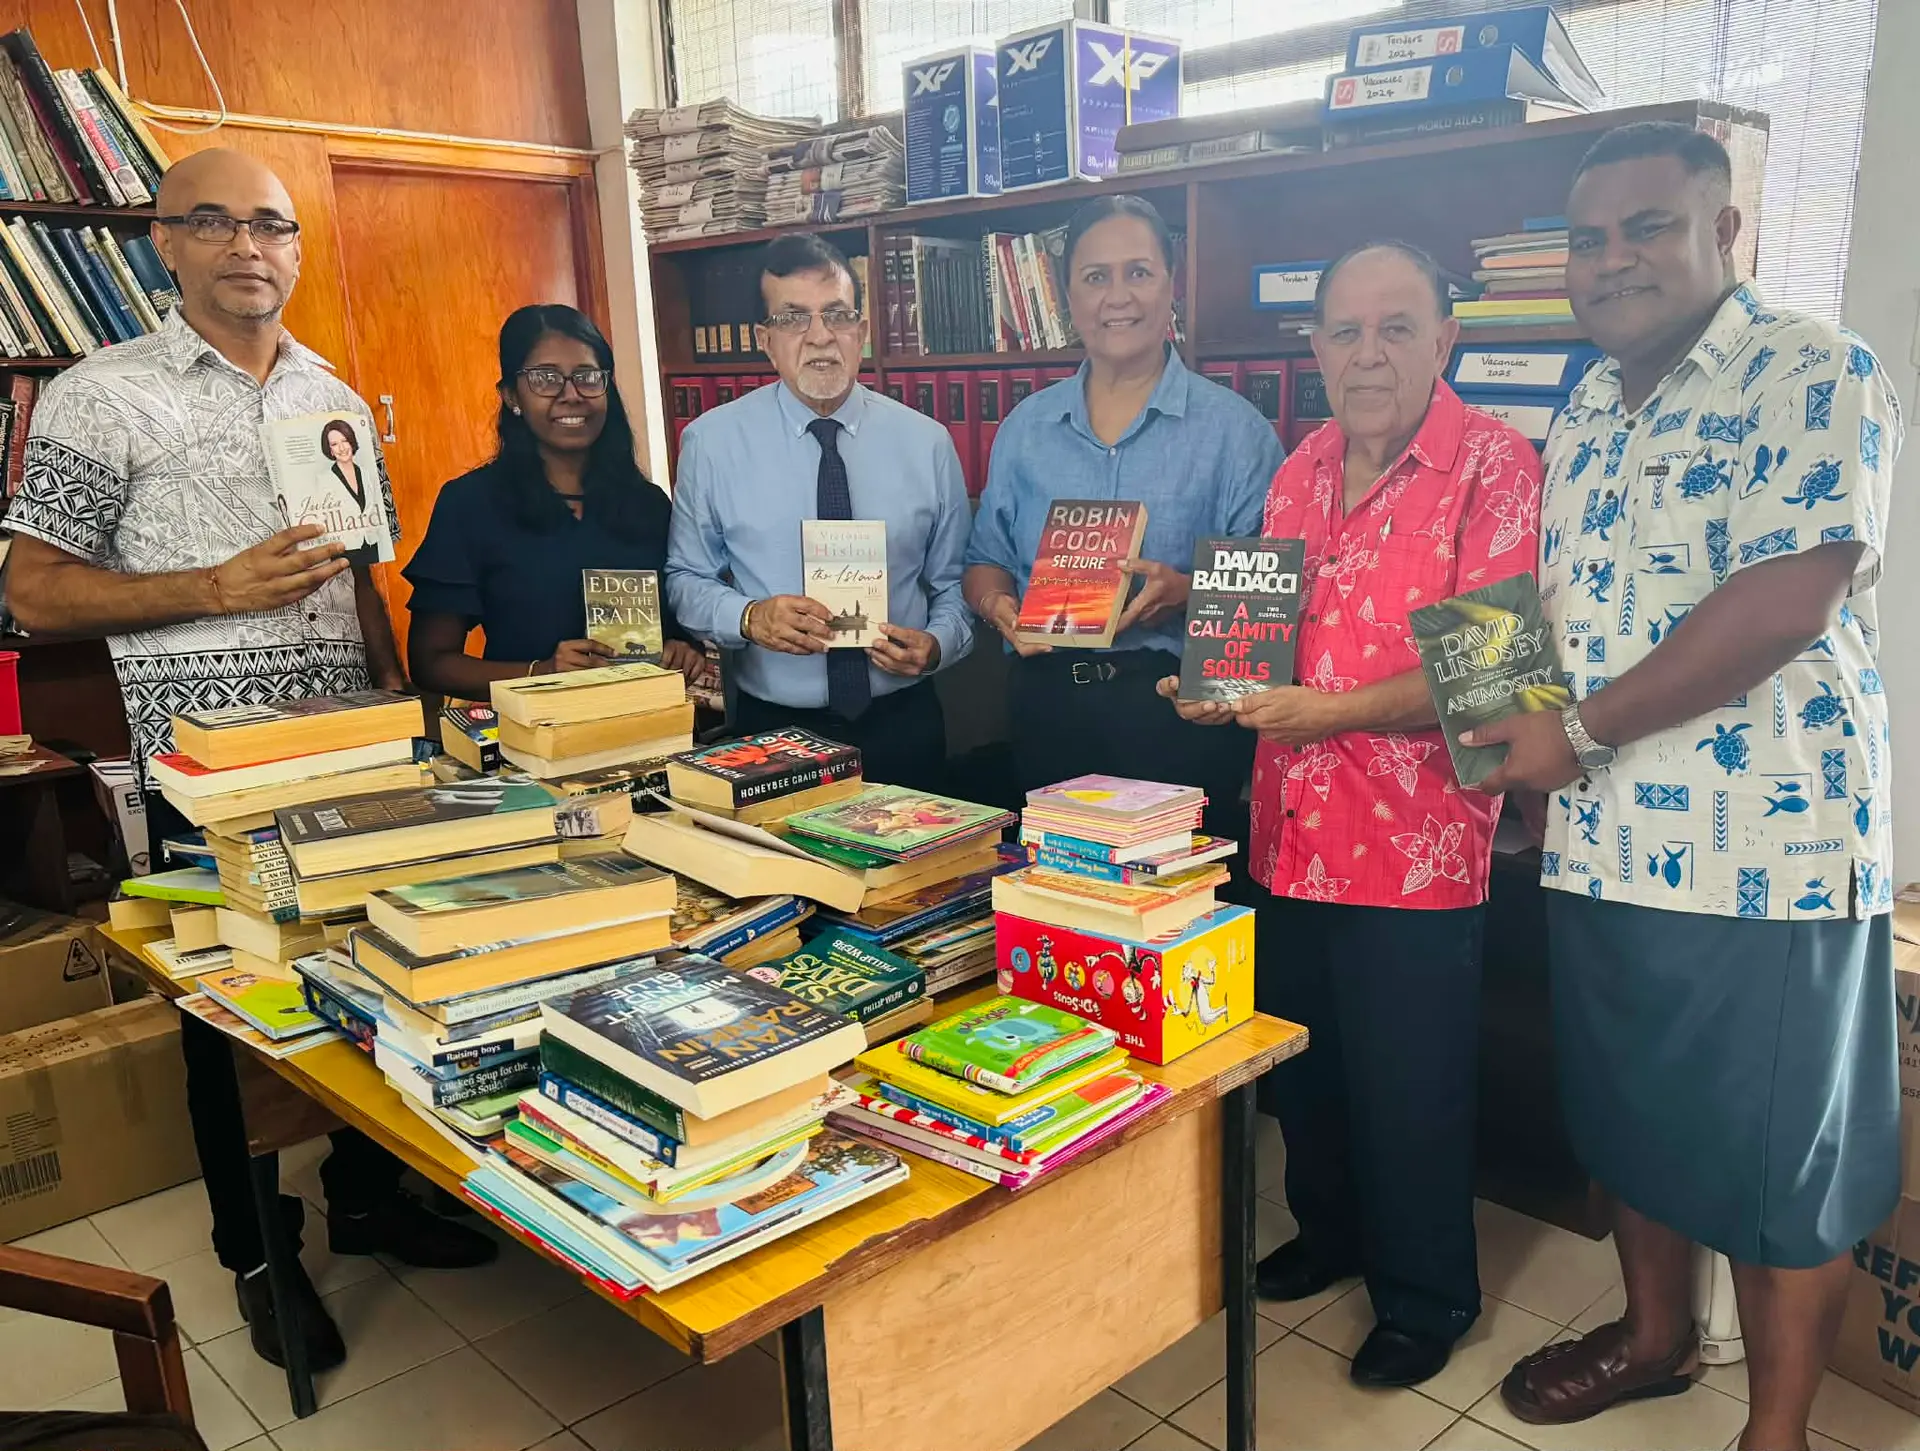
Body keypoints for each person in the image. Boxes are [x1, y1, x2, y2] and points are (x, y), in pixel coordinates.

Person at [1, 148, 494, 1375]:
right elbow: (31, 586)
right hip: (208, 778)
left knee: (374, 981)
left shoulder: (331, 388)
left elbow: (365, 569)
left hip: (354, 762)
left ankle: (368, 1196)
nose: (246, 247)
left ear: (295, 247)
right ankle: (258, 1252)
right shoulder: (99, 395)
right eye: (211, 222)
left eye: (271, 225)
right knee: (233, 1021)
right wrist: (208, 589)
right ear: (162, 244)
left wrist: (397, 704)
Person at [1466, 123, 1902, 1451]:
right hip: (1604, 844)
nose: (1613, 260)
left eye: (1647, 227)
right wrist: (1509, 752)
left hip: (1768, 855)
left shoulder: (1814, 370)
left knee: (1787, 1169)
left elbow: (1783, 601)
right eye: (1588, 239)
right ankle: (1655, 1340)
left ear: (1727, 233)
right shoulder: (1585, 404)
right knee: (1628, 1115)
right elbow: (1535, 606)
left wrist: (1572, 735)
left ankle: (1775, 1428)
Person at [1158, 241, 1545, 1388]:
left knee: (1410, 1084)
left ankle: (1427, 1294)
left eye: (1394, 326)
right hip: (1286, 828)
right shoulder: (1303, 462)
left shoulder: (1497, 463)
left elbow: (1496, 674)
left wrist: (1326, 712)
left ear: (1444, 338)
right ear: (1315, 345)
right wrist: (1216, 683)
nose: (1366, 352)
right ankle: (1329, 1235)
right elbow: (1259, 632)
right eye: (1343, 330)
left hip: (1416, 851)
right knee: (1310, 1072)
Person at [963, 195, 1281, 842]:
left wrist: (1187, 593)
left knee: (1176, 924)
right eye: (1095, 276)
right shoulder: (1026, 429)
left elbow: (1267, 601)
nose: (1118, 297)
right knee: (1054, 911)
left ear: (1172, 284)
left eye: (1138, 272)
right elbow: (984, 561)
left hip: (1174, 712)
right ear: (1067, 295)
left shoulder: (1236, 432)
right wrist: (1001, 611)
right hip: (1046, 705)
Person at [666, 233, 971, 790]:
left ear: (863, 331)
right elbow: (685, 579)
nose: (819, 336)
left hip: (903, 724)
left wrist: (937, 646)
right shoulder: (711, 444)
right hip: (773, 732)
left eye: (837, 314)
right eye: (793, 319)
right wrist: (749, 617)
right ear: (765, 340)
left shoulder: (927, 443)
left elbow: (954, 585)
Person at [405, 304, 707, 695]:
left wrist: (685, 650)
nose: (571, 395)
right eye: (545, 379)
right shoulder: (470, 504)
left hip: (647, 729)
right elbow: (431, 662)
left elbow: (681, 626)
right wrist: (542, 672)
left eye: (587, 376)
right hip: (533, 740)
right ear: (512, 395)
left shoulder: (650, 505)